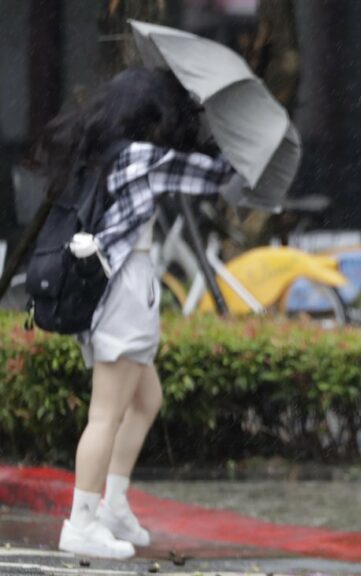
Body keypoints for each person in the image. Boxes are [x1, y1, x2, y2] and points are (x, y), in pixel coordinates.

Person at [37, 68, 235, 559]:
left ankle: (114, 507)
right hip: (122, 289)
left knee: (146, 401)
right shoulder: (139, 157)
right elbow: (216, 175)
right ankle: (81, 521)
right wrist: (230, 136)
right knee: (105, 414)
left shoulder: (101, 151)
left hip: (113, 287)